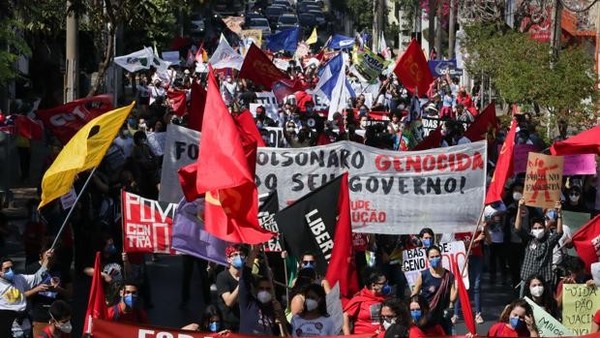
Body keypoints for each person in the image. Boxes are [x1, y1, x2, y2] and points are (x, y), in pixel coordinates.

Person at [515, 199, 563, 297]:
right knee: (524, 304)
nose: (538, 230)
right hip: (527, 280)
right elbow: (517, 228)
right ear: (531, 230)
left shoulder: (549, 241)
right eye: (535, 228)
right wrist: (520, 208)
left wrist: (559, 213)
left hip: (543, 281)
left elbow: (559, 232)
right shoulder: (529, 240)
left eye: (540, 228)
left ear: (545, 229)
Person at [0, 250, 53, 337]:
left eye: (11, 268)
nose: (10, 271)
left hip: (24, 323)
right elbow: (15, 297)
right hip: (6, 324)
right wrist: (36, 290)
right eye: (6, 269)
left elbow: (37, 277)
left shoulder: (19, 278)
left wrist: (46, 259)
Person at [238, 246, 287, 336]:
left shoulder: (275, 310)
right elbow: (244, 280)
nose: (264, 291)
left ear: (273, 290)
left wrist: (281, 317)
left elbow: (287, 333)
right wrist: (252, 255)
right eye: (261, 288)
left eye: (268, 289)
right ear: (256, 289)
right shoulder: (248, 304)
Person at [26, 244, 73, 337]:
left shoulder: (62, 269)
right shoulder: (31, 269)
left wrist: (58, 289)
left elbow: (70, 294)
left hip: (60, 318)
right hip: (40, 316)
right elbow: (24, 295)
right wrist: (37, 289)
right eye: (48, 257)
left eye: (53, 257)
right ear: (41, 256)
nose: (51, 260)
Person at [411, 246, 457, 335]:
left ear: (441, 256)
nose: (435, 259)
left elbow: (452, 299)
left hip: (442, 318)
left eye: (437, 256)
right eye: (432, 257)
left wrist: (458, 287)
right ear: (428, 259)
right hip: (426, 318)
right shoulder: (423, 275)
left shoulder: (449, 275)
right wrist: (414, 312)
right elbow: (414, 295)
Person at [343, 269, 390, 335]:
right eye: (383, 283)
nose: (386, 285)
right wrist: (347, 336)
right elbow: (345, 316)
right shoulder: (359, 299)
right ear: (373, 285)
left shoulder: (386, 298)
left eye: (386, 282)